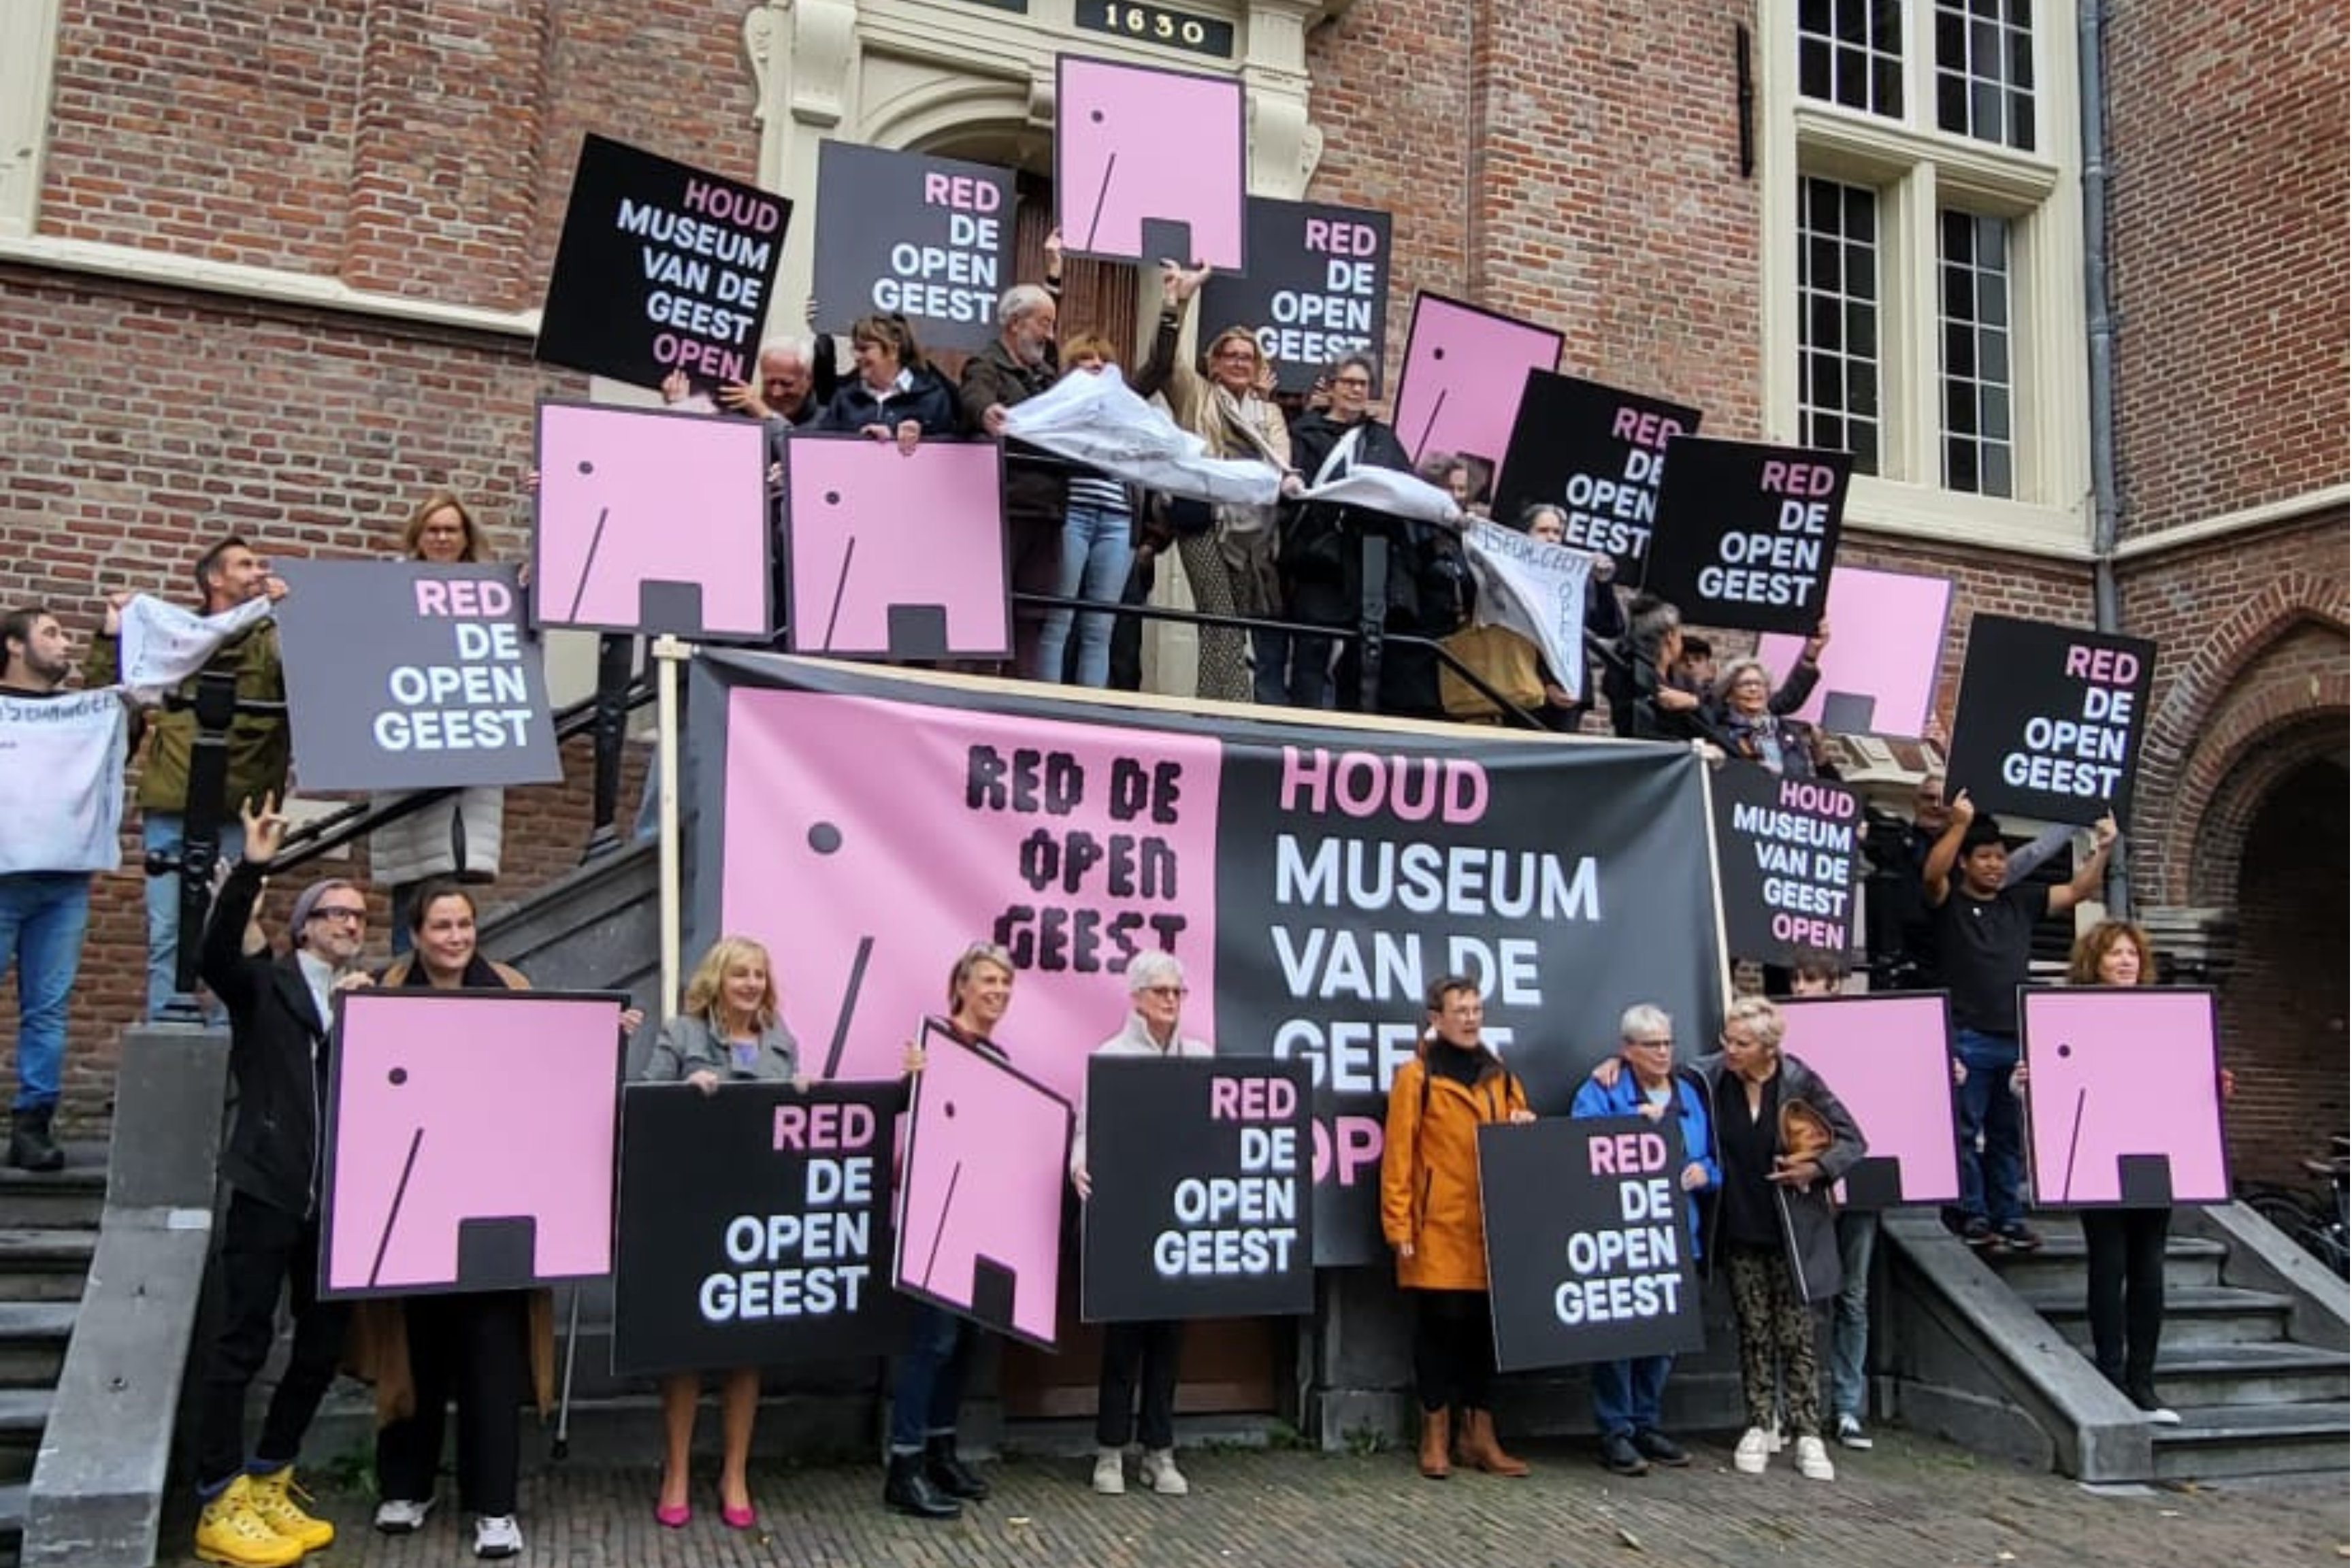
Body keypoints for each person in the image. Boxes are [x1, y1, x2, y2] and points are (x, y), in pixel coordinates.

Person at [357, 885, 638, 1560]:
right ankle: (407, 1487)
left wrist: (602, 1040)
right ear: (416, 934)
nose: (455, 937)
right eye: (441, 926)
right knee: (415, 1352)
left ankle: (494, 1507)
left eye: (465, 924)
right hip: (416, 1203)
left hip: (496, 1204)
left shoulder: (513, 986)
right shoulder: (384, 994)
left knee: (491, 1355)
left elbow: (546, 1072)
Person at [187, 793, 368, 1568]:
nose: (351, 925)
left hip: (336, 1205)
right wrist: (252, 871)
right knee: (240, 1345)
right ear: (302, 927)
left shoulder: (372, 999)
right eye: (335, 914)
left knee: (323, 1345)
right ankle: (217, 1496)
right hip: (269, 1186)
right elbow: (217, 957)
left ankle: (270, 1476)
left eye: (359, 917)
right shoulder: (266, 985)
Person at [88, 536, 289, 1019]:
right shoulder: (170, 635)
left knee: (234, 934)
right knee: (168, 935)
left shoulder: (272, 633)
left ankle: (229, 1055)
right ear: (214, 579)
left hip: (242, 811)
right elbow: (103, 695)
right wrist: (113, 635)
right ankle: (165, 1034)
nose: (258, 571)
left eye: (259, 565)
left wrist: (292, 618)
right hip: (176, 802)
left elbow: (307, 682)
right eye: (245, 564)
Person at [640, 936, 802, 1529]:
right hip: (693, 1210)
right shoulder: (680, 1035)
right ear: (718, 979)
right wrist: (685, 1094)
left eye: (759, 974)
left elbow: (790, 1127)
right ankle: (677, 1469)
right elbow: (646, 1102)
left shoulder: (781, 1040)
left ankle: (735, 1472)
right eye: (740, 974)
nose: (752, 984)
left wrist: (802, 1097)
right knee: (687, 1345)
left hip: (757, 1212)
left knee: (744, 1349)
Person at [2056, 920, 2234, 1424]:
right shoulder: (2068, 1015)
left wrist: (2211, 1084)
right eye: (2115, 954)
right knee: (2108, 1265)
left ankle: (2143, 1382)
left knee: (2149, 1271)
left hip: (2154, 1159)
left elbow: (2180, 1077)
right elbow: (2051, 1085)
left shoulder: (2164, 1015)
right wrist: (2029, 1080)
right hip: (2097, 1158)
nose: (2126, 962)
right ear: (2095, 961)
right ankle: (2111, 1376)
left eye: (2132, 953)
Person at [1923, 794, 2117, 1251]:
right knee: (1965, 1131)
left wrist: (2104, 849)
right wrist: (1958, 825)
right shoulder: (1948, 903)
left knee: (2008, 1133)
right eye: (1985, 858)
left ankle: (2007, 1216)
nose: (1995, 866)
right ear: (1966, 863)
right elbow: (1932, 876)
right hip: (1966, 1034)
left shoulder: (2021, 902)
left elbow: (2077, 892)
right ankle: (1972, 1214)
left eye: (2000, 857)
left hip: (2016, 1037)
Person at [1694, 996, 1865, 1482]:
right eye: (1727, 1039)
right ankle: (1759, 1421)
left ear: (1769, 1049)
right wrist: (1614, 1064)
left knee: (1796, 1332)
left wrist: (1815, 1168)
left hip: (1792, 1229)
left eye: (1742, 1043)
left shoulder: (1799, 1081)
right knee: (1753, 1329)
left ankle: (1807, 1430)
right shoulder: (1710, 1077)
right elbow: (1660, 1071)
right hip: (1738, 1223)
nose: (1730, 1049)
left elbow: (1853, 1139)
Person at [1380, 975, 1535, 1481]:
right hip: (1436, 1228)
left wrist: (1522, 1127)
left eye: (1476, 1008)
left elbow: (1517, 1140)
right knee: (1438, 1331)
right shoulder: (1416, 1077)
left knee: (1485, 1336)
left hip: (1490, 1230)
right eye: (1460, 1009)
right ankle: (1435, 1434)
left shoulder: (1501, 1077)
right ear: (1435, 1018)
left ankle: (1481, 1436)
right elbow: (1398, 1158)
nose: (1470, 1017)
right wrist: (1398, 1224)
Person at [883, 942, 1019, 1520]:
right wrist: (911, 1081)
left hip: (977, 1216)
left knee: (964, 1341)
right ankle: (904, 1465)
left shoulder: (1000, 1058)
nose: (997, 992)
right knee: (932, 1342)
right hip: (934, 1215)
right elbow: (906, 1115)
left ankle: (941, 1450)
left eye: (1005, 984)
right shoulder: (933, 1047)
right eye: (988, 981)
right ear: (961, 986)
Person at [1068, 951, 1211, 1496]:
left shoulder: (1199, 1058)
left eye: (1177, 992)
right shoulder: (1110, 1057)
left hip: (1179, 1218)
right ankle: (1109, 1452)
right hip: (1129, 1220)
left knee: (1169, 1341)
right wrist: (1079, 1165)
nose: (1171, 1001)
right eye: (1160, 992)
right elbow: (1088, 1130)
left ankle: (1159, 1450)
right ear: (1136, 998)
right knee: (1123, 1341)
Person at [1132, 262, 1295, 706]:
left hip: (1251, 533)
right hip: (1202, 521)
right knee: (1218, 617)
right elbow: (1164, 362)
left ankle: (1214, 712)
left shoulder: (1270, 414)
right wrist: (1176, 302)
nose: (1240, 362)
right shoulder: (1195, 394)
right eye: (1232, 355)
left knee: (1230, 624)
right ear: (1214, 362)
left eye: (1248, 357)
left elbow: (1281, 465)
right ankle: (1229, 715)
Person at [0, 606, 125, 1170]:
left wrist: (110, 639)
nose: (61, 642)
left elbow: (117, 697)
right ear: (14, 647)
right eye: (49, 633)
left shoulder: (84, 712)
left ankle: (33, 1124)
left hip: (64, 881)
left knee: (47, 1010)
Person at [1569, 1004, 1716, 1477]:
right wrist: (1636, 1129)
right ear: (1627, 1050)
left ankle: (1646, 1423)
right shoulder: (1601, 1091)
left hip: (1677, 1235)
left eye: (1668, 1043)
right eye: (1652, 1045)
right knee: (1618, 1341)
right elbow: (1579, 1151)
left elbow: (1716, 1158)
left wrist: (1705, 1173)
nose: (1663, 1053)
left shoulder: (1691, 1092)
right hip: (1621, 1237)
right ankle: (1615, 1431)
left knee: (1663, 1340)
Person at [369, 492, 506, 951]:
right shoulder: (389, 589)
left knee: (450, 901)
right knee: (411, 892)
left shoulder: (494, 595)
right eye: (433, 529)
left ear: (466, 537)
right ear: (418, 536)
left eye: (451, 529)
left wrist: (525, 595)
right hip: (407, 759)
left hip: (466, 774)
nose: (442, 538)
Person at [1274, 353, 1414, 709]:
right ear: (1332, 387)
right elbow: (1291, 489)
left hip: (1369, 558)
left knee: (1363, 654)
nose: (1356, 390)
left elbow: (1406, 491)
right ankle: (1306, 735)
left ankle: (1355, 734)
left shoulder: (1383, 439)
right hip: (1318, 556)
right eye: (1348, 382)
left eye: (1363, 384)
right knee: (1313, 650)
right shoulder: (1303, 433)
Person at [1784, 949, 1876, 1451]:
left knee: (1854, 1297)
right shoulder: (1783, 1043)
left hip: (1862, 1187)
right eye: (1797, 979)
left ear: (1835, 985)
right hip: (1807, 1187)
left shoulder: (1868, 1034)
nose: (1801, 988)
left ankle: (1847, 1406)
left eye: (1812, 979)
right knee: (1803, 1295)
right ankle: (1796, 1404)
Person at [962, 259, 1070, 680]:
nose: (1049, 334)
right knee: (988, 609)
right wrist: (985, 412)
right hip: (1006, 505)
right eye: (1044, 324)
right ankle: (972, 696)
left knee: (1033, 613)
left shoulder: (1044, 374)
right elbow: (974, 394)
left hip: (1048, 507)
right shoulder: (987, 364)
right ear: (1015, 323)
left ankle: (1020, 698)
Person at [1030, 331, 1134, 689]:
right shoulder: (1059, 407)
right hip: (1073, 514)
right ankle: (1048, 708)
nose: (1097, 365)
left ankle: (1093, 709)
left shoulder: (1126, 411)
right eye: (1086, 359)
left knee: (1100, 627)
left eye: (1103, 359)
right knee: (1058, 617)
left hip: (1117, 522)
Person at [815, 312, 963, 451]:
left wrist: (920, 435)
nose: (856, 356)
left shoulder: (932, 396)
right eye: (855, 348)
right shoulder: (845, 398)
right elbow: (822, 449)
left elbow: (947, 457)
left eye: (864, 349)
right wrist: (860, 441)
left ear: (893, 351)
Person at [1711, 648, 1827, 777]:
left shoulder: (1787, 733)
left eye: (1760, 684)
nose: (1754, 689)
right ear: (1729, 695)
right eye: (1745, 684)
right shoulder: (1720, 733)